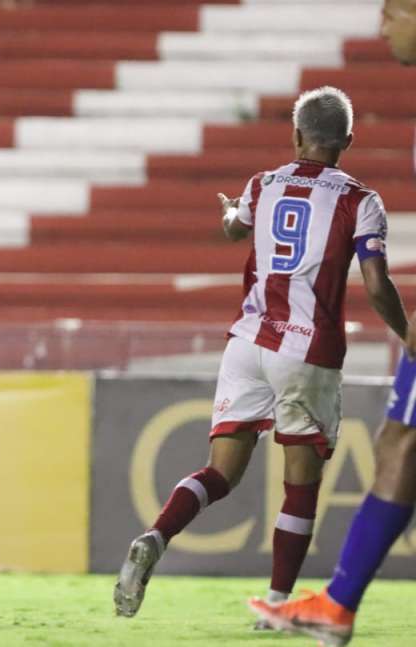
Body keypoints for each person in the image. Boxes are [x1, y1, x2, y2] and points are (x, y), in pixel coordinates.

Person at [113, 86, 409, 622]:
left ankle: (157, 536)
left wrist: (230, 212)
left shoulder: (262, 183)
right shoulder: (359, 200)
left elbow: (233, 230)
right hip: (306, 349)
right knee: (301, 484)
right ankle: (274, 605)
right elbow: (376, 282)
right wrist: (408, 334)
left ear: (296, 136)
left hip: (247, 342)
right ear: (348, 139)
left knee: (220, 471)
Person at [249, 3, 416, 645]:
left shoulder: (273, 183)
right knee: (401, 439)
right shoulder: (353, 194)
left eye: (392, 11)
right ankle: (338, 604)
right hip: (302, 349)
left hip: (282, 341)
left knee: (402, 440)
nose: (382, 28)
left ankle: (338, 604)